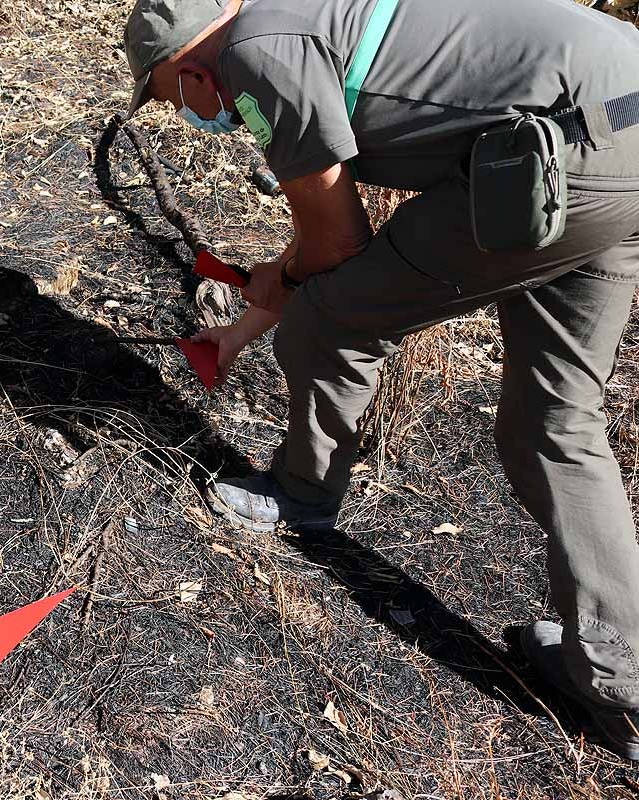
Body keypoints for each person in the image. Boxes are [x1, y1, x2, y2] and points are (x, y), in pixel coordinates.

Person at [122, 0, 639, 759]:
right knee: (555, 422)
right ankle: (621, 683)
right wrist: (242, 325)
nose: (191, 111)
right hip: (621, 123)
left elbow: (335, 244)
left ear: (194, 71)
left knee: (325, 324)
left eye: (173, 98)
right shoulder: (304, 14)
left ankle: (301, 496)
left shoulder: (256, 61)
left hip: (547, 158)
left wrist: (283, 280)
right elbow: (329, 244)